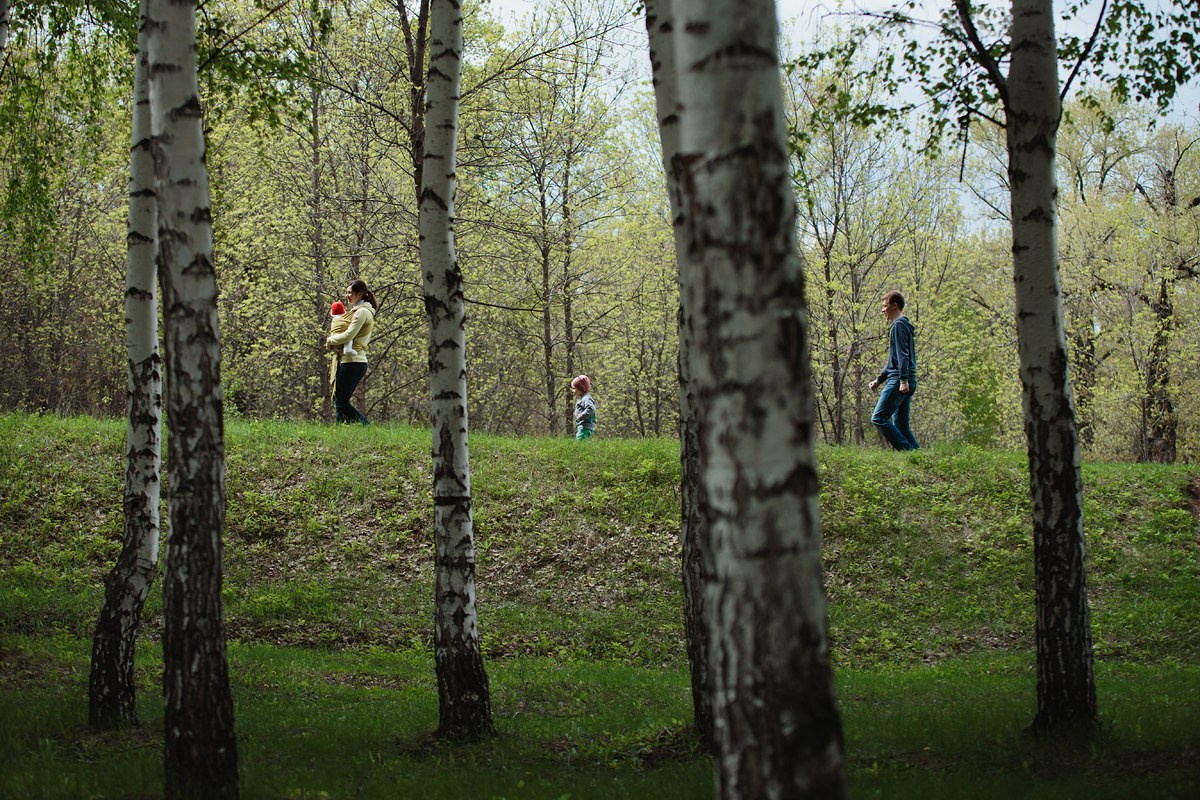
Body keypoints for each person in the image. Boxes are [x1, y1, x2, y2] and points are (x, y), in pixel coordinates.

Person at [868, 289, 919, 450]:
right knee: (902, 426)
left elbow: (903, 356)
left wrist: (903, 381)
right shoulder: (903, 326)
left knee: (878, 418)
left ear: (894, 306)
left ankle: (908, 451)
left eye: (885, 306)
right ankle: (919, 457)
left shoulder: (898, 326)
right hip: (908, 379)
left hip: (900, 381)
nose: (883, 310)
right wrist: (879, 380)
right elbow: (894, 360)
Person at [325, 280, 377, 424]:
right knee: (339, 400)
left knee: (341, 401)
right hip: (348, 360)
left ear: (360, 294)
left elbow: (349, 335)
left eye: (350, 293)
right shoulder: (356, 311)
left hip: (354, 362)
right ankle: (340, 429)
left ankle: (366, 425)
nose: (347, 296)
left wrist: (331, 340)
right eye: (347, 292)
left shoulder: (362, 313)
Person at [571, 374, 597, 441]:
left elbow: (591, 409)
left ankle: (582, 451)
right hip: (583, 425)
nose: (572, 391)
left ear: (581, 388)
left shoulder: (586, 398)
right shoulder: (582, 398)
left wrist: (581, 416)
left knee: (580, 440)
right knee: (581, 439)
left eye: (574, 388)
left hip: (585, 425)